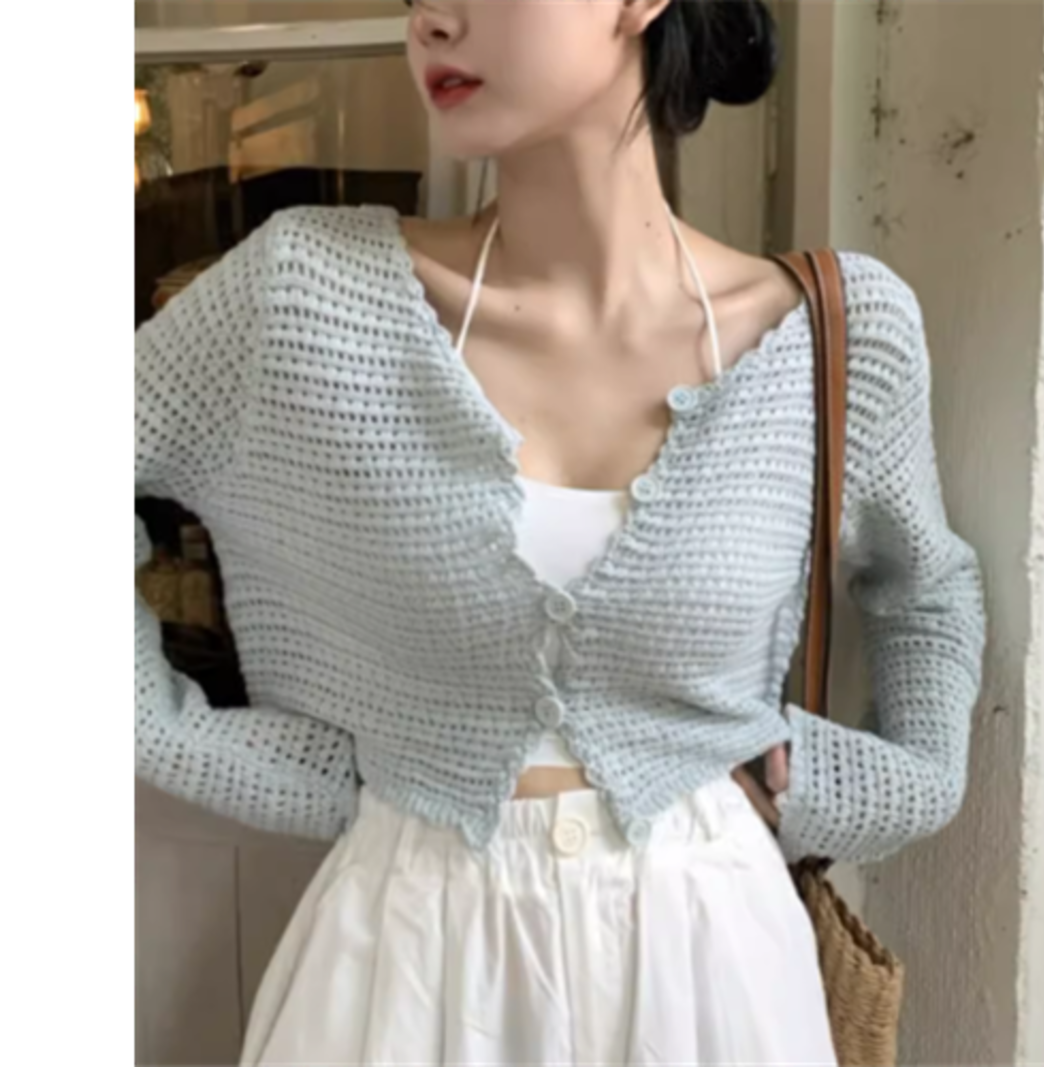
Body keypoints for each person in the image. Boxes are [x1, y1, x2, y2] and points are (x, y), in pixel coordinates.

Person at [130, 2, 987, 1063]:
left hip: (712, 968)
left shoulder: (830, 333)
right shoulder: (305, 294)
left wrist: (882, 783)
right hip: (406, 964)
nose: (432, 22)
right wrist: (186, 738)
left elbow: (925, 589)